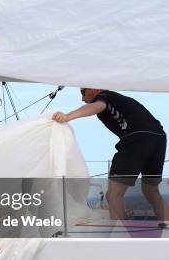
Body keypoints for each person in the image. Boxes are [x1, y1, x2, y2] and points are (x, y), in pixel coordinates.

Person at [53, 89, 166, 220]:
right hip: (159, 137)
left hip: (137, 138)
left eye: (83, 92)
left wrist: (68, 116)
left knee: (113, 195)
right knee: (152, 192)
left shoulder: (105, 96)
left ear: (94, 88)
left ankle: (122, 239)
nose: (82, 98)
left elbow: (97, 106)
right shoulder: (119, 99)